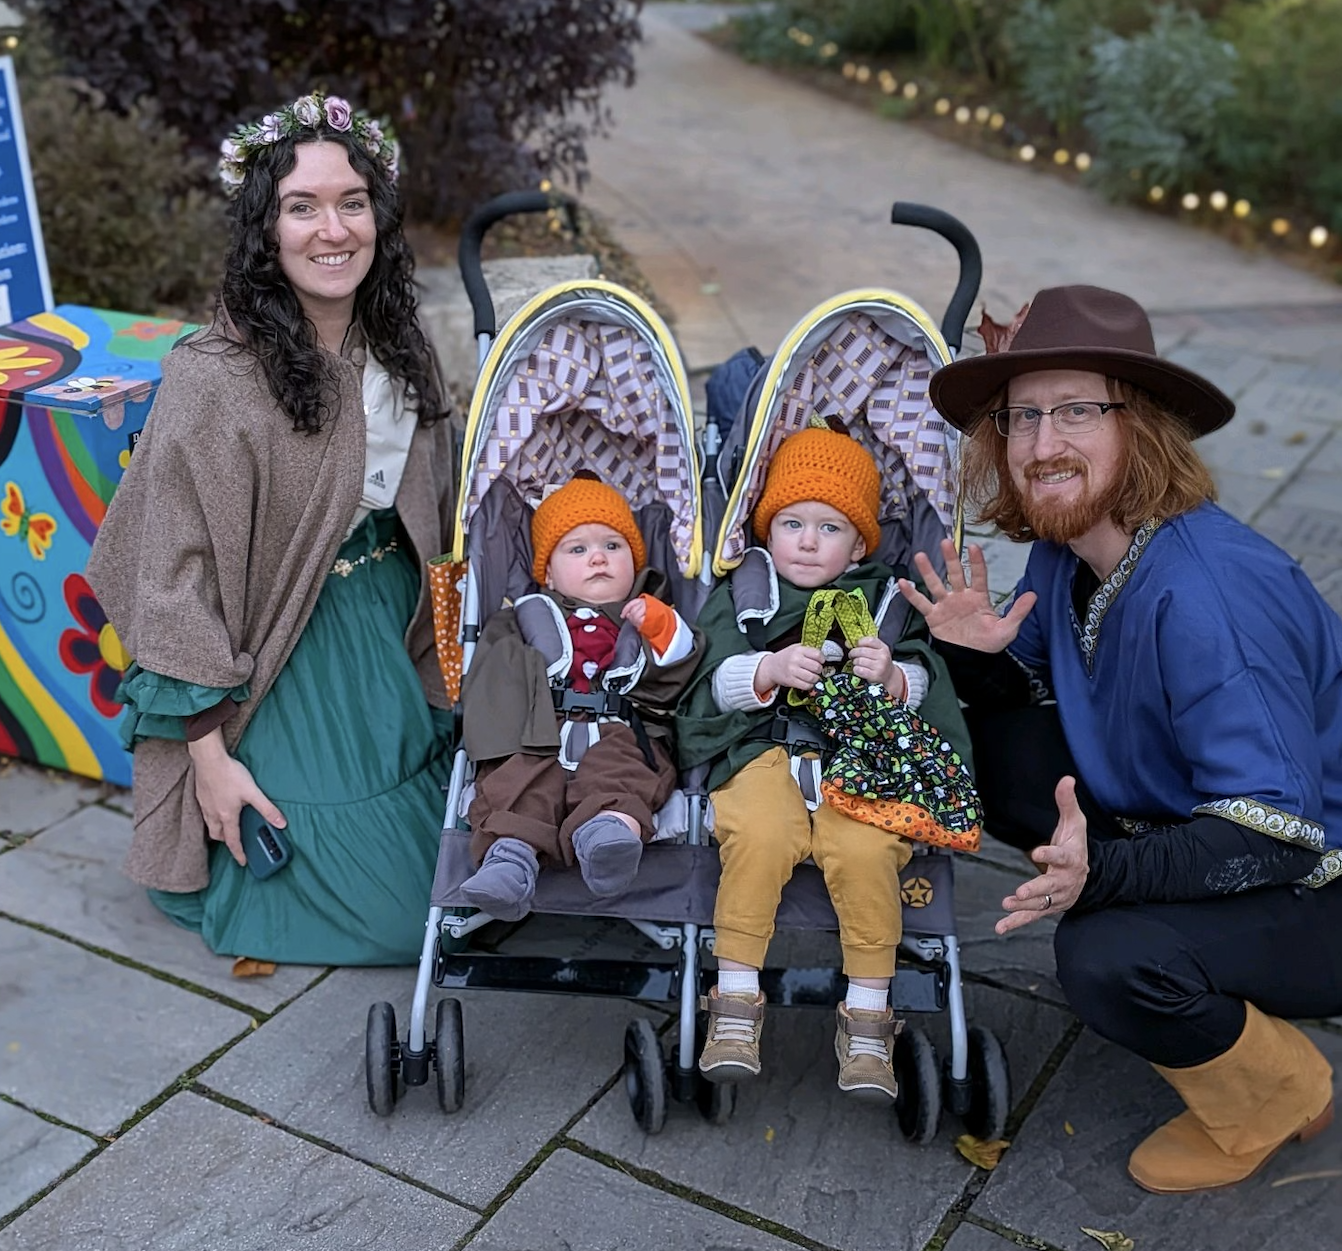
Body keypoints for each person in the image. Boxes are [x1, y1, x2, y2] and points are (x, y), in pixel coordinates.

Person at [901, 283, 1342, 1191]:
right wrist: (975, 656)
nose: (1042, 445)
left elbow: (1278, 832)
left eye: (1075, 411)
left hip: (1315, 876)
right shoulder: (1077, 543)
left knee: (1105, 959)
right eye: (1022, 417)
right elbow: (1029, 690)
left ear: (1139, 426)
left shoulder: (1210, 600)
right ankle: (1157, 916)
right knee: (988, 747)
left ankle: (1279, 1093)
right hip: (1191, 810)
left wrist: (1106, 878)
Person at [87, 92, 458, 967]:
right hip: (278, 643)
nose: (332, 230)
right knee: (403, 919)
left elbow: (435, 508)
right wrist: (207, 755)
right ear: (266, 227)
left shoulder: (402, 342)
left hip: (389, 618)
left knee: (469, 867)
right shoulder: (212, 377)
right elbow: (169, 578)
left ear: (379, 215)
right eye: (302, 207)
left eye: (352, 203)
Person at [677, 428, 972, 1103]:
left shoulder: (888, 603)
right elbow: (709, 682)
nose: (807, 541)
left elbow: (928, 680)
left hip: (858, 758)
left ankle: (868, 1012)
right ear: (767, 529)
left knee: (868, 848)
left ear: (861, 543)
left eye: (829, 527)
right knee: (757, 833)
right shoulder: (747, 592)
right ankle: (736, 999)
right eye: (792, 523)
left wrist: (893, 676)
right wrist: (767, 670)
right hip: (764, 747)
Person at [459, 474, 702, 910]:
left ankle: (608, 836)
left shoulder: (652, 613)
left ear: (634, 561)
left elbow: (679, 672)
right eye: (578, 549)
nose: (598, 558)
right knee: (519, 780)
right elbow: (491, 679)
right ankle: (510, 861)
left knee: (624, 775)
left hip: (621, 728)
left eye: (613, 546)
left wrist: (660, 626)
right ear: (548, 572)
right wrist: (507, 736)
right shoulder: (523, 618)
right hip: (538, 730)